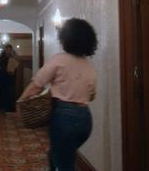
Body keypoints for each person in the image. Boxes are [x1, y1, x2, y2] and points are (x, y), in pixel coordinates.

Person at [18, 18, 97, 171]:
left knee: (64, 163)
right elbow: (92, 96)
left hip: (64, 118)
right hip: (86, 119)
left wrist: (20, 101)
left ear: (66, 38)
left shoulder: (59, 59)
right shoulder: (89, 65)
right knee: (58, 154)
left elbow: (37, 86)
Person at [0, 44, 18, 112]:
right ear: (5, 50)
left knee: (10, 93)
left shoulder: (13, 57)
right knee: (2, 93)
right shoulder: (1, 58)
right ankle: (2, 108)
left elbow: (15, 68)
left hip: (10, 79)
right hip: (2, 78)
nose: (8, 51)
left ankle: (9, 108)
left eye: (9, 49)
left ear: (11, 50)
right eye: (7, 49)